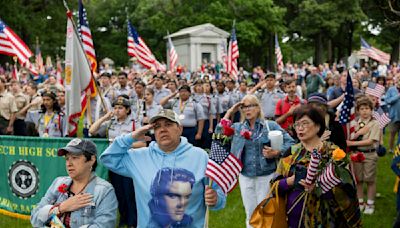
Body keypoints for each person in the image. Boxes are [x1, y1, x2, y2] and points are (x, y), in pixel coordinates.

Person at [100, 109, 226, 227]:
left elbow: (218, 193)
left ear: (180, 129)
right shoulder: (139, 157)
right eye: (157, 126)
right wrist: (131, 137)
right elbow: (108, 158)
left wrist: (215, 199)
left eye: (168, 124)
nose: (163, 129)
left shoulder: (200, 156)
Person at [272, 104, 361, 227]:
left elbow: (347, 190)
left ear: (318, 126)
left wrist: (319, 189)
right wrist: (289, 181)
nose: (300, 128)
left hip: (325, 220)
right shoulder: (291, 153)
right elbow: (274, 186)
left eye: (305, 123)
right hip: (292, 220)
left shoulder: (334, 153)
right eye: (297, 124)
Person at [219, 94, 294, 227]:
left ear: (258, 108)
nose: (247, 110)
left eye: (250, 106)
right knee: (250, 212)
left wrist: (277, 152)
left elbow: (291, 143)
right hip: (245, 175)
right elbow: (218, 132)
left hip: (266, 175)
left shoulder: (270, 126)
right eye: (244, 107)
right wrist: (230, 112)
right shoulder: (237, 128)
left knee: (266, 211)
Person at [30, 138, 118, 227]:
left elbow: (104, 225)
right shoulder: (58, 183)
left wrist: (49, 213)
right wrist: (61, 208)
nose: (69, 163)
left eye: (75, 158)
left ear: (92, 160)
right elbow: (35, 218)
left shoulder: (105, 191)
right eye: (67, 158)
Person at [89, 96, 140, 228]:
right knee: (119, 193)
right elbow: (92, 130)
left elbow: (142, 143)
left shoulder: (134, 123)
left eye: (120, 108)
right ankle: (123, 219)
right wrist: (105, 118)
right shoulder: (111, 123)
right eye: (115, 108)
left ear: (127, 110)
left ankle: (133, 221)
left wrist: (121, 145)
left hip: (129, 163)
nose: (117, 110)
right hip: (114, 164)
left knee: (130, 193)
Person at [347, 96, 380, 214]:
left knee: (369, 180)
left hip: (369, 154)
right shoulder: (354, 123)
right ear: (358, 110)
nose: (364, 111)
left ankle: (370, 203)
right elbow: (350, 135)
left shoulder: (374, 124)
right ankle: (360, 202)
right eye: (362, 109)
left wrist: (352, 142)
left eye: (367, 108)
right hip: (356, 154)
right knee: (359, 179)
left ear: (371, 110)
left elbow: (371, 141)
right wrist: (356, 135)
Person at [386, 77, 400, 154]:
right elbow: (388, 100)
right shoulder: (391, 89)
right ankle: (391, 149)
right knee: (392, 133)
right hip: (394, 116)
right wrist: (398, 96)